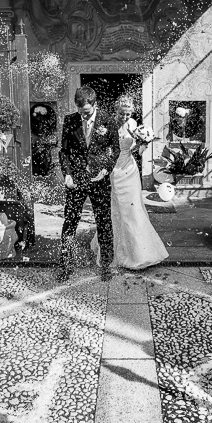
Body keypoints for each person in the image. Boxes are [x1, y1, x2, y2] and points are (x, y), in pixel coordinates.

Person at [92, 95, 168, 269]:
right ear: (115, 111)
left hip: (131, 172)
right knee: (116, 211)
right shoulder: (106, 125)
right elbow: (101, 149)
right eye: (121, 113)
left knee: (134, 209)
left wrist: (144, 142)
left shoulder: (134, 124)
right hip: (113, 172)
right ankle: (114, 251)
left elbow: (136, 151)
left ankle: (140, 252)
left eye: (127, 114)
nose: (125, 117)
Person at [59, 86, 121, 281]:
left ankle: (106, 265)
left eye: (86, 112)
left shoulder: (108, 120)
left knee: (103, 222)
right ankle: (65, 265)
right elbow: (64, 151)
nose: (83, 116)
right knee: (70, 222)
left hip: (99, 180)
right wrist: (67, 175)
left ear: (94, 104)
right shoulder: (70, 120)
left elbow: (115, 148)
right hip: (76, 180)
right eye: (80, 111)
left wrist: (106, 168)